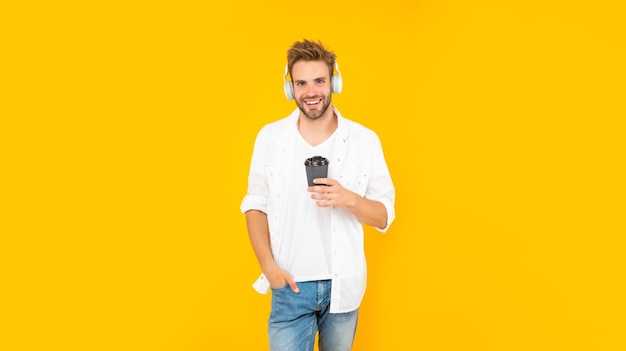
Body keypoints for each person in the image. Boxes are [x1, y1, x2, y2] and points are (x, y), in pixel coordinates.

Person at [240, 39, 396, 351]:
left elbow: (383, 215)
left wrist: (348, 198)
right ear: (291, 88)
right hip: (290, 288)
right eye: (301, 83)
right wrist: (268, 267)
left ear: (333, 82)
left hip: (344, 288)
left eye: (319, 81)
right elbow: (255, 205)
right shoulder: (270, 138)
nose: (311, 92)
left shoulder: (364, 141)